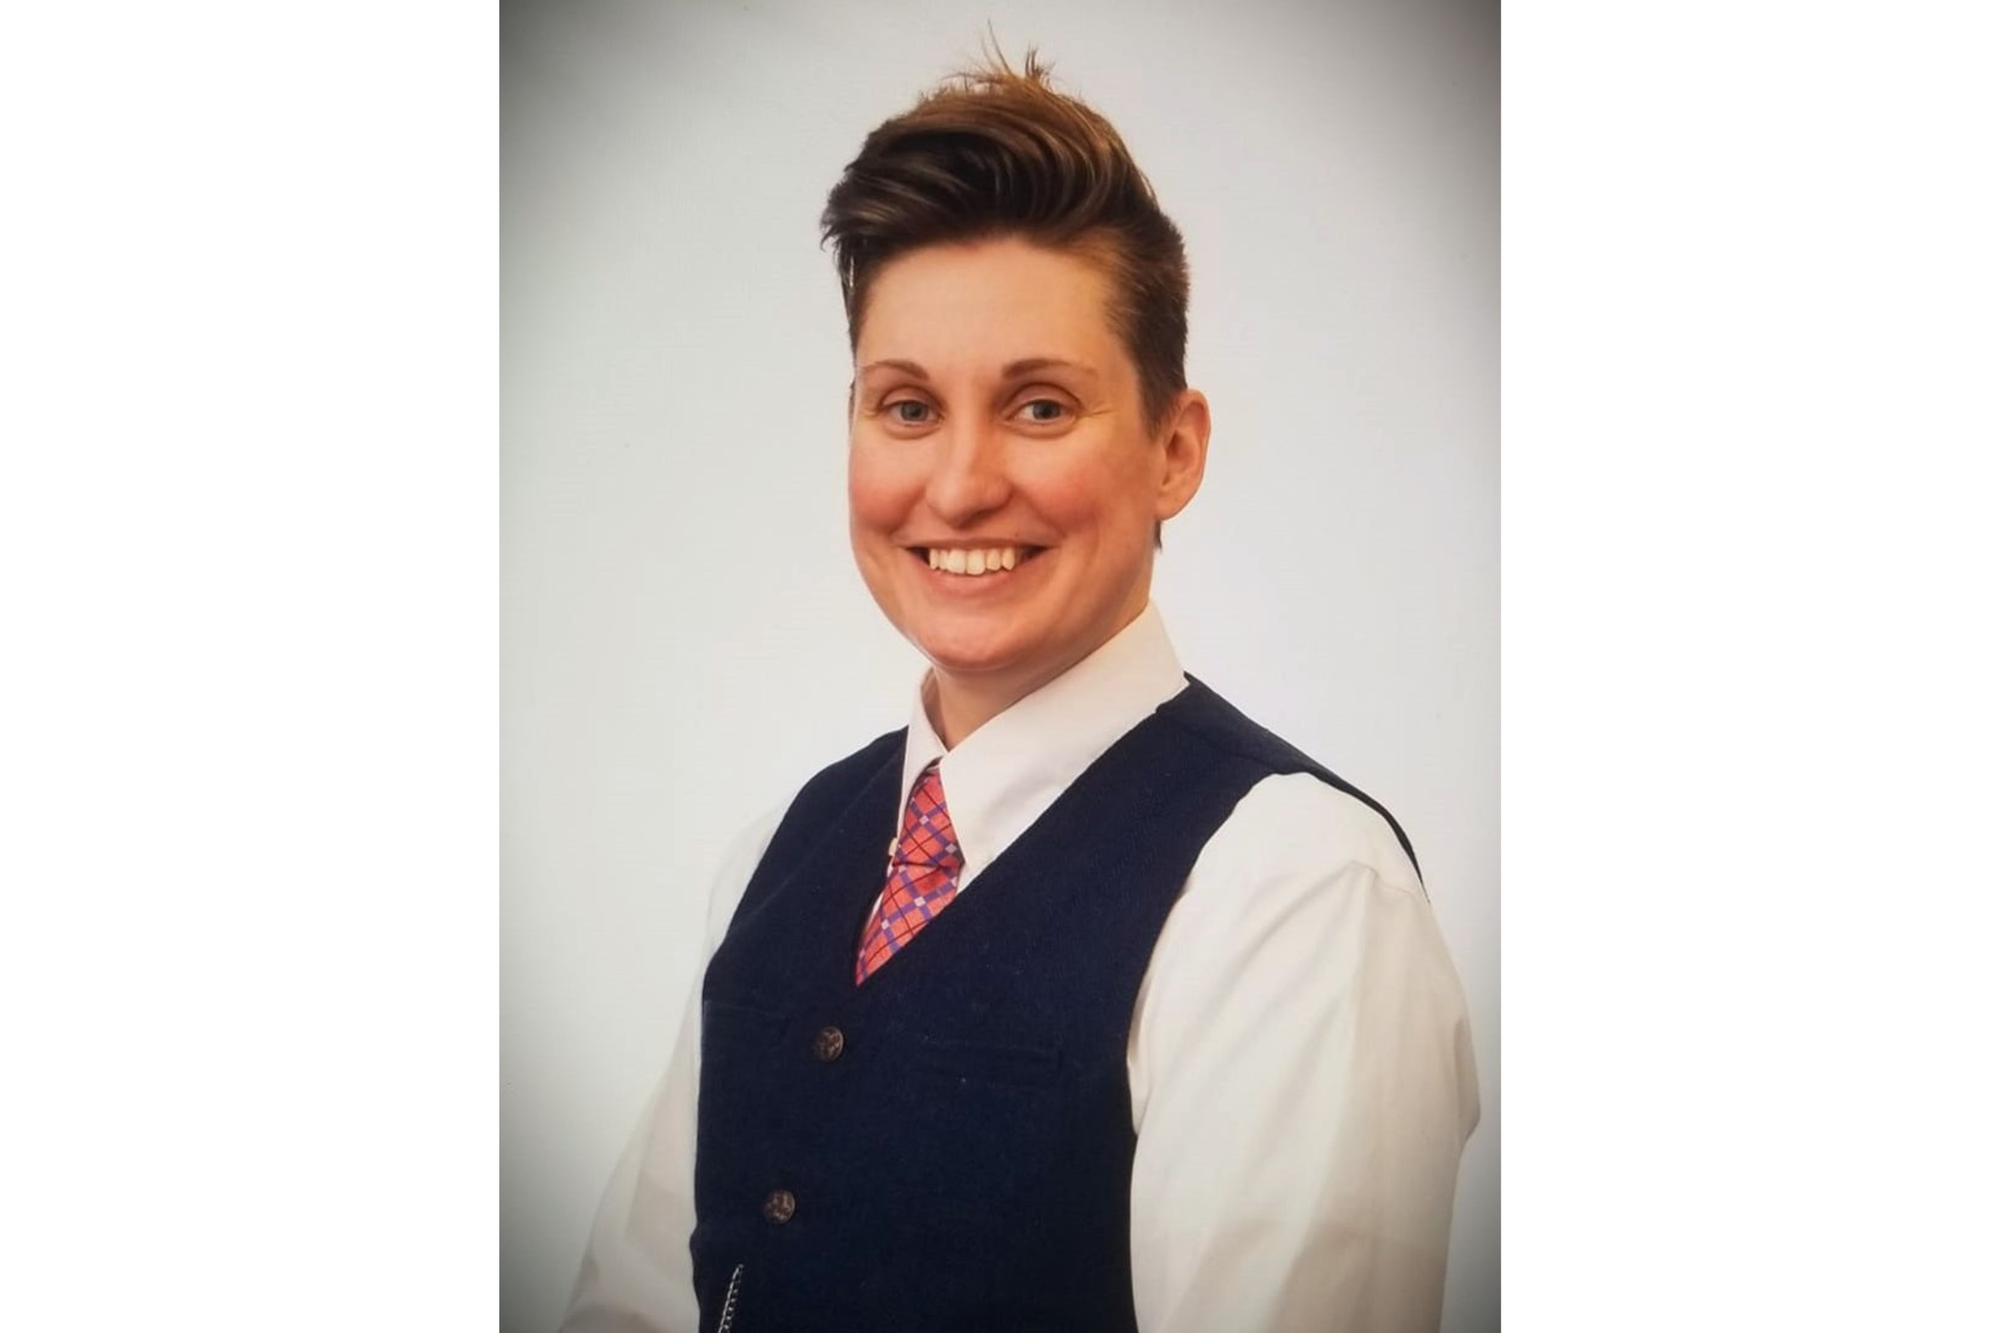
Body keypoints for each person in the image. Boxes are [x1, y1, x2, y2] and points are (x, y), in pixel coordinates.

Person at [563, 51, 1479, 1333]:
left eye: (1039, 406)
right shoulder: (782, 850)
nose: (957, 485)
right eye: (905, 407)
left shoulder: (1296, 893)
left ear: (1173, 449)